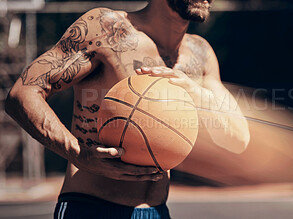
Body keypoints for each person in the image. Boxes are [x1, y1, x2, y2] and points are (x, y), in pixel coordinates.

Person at [5, 0, 250, 218]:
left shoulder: (200, 54)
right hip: (90, 207)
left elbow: (238, 139)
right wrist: (78, 154)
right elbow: (22, 93)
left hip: (156, 210)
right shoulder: (106, 29)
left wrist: (196, 92)